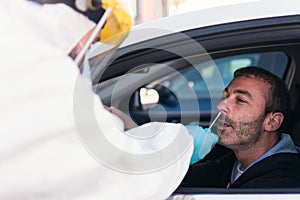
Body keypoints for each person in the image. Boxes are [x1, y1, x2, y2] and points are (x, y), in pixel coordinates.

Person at [0, 0, 218, 199]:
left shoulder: (17, 33)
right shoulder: (34, 58)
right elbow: (121, 173)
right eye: (95, 39)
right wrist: (182, 140)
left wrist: (113, 125)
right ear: (84, 8)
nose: (85, 51)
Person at [180, 66, 300, 188]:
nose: (221, 106)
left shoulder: (281, 185)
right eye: (225, 97)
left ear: (272, 122)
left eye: (240, 100)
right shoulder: (236, 161)